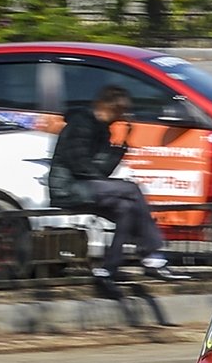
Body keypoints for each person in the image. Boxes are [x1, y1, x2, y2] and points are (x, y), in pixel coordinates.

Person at [49, 85, 187, 285]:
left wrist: (120, 147)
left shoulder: (103, 130)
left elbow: (100, 172)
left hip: (86, 186)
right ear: (108, 106)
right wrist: (110, 185)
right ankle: (152, 254)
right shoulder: (81, 124)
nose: (121, 117)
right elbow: (79, 166)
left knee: (126, 208)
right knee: (130, 189)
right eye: (120, 111)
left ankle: (109, 268)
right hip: (67, 187)